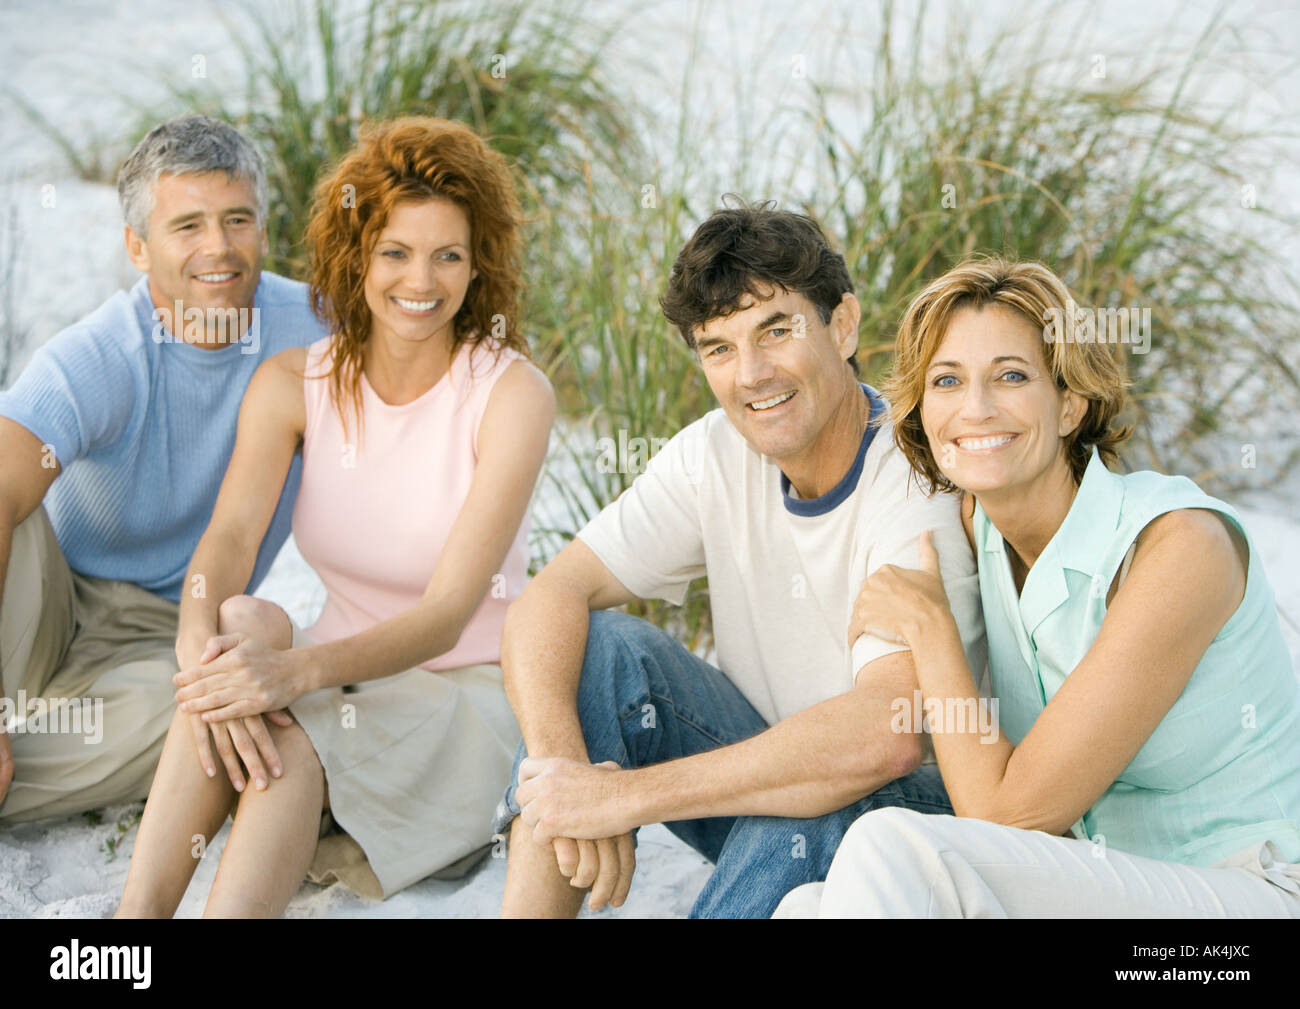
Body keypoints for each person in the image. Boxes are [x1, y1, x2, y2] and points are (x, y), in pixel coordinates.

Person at [495, 199, 986, 919]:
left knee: (822, 791)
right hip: (786, 782)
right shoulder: (714, 453)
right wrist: (566, 774)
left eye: (776, 330)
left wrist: (619, 797)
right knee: (598, 651)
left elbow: (887, 736)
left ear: (842, 325)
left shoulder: (913, 477)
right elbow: (553, 593)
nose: (750, 373)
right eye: (718, 347)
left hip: (923, 815)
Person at [115, 116, 553, 917]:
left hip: (459, 688)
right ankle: (134, 924)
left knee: (287, 728)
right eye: (395, 252)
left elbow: (450, 613)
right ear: (356, 256)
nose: (420, 281)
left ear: (476, 263)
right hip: (334, 666)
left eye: (447, 255)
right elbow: (232, 538)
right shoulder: (295, 382)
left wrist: (294, 674)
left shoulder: (511, 395)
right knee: (237, 620)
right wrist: (195, 642)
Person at [775, 256, 1300, 918]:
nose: (976, 408)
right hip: (1095, 882)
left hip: (1246, 904)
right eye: (947, 380)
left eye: (1012, 376)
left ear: (1070, 405)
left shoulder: (1179, 547)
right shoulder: (978, 525)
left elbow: (1007, 817)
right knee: (807, 905)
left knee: (891, 849)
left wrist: (933, 629)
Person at [0, 114, 328, 825]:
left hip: (175, 637)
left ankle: (21, 768)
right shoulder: (100, 355)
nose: (219, 247)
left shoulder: (314, 334)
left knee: (211, 715)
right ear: (137, 247)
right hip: (49, 603)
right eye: (188, 226)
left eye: (237, 219)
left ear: (263, 230)